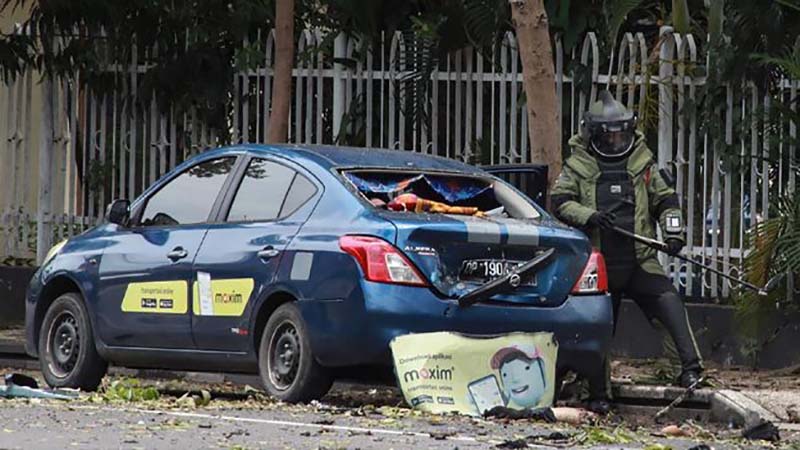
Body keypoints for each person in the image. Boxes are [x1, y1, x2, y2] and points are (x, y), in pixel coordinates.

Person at [550, 90, 703, 414]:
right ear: (593, 134)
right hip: (598, 263)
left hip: (640, 258)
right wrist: (589, 216)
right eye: (610, 136)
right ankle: (597, 393)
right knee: (600, 327)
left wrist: (674, 232)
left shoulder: (643, 162)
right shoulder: (577, 165)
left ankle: (690, 370)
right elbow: (560, 202)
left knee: (670, 304)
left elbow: (667, 201)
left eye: (622, 134)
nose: (617, 141)